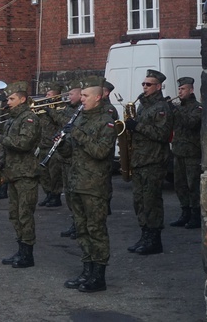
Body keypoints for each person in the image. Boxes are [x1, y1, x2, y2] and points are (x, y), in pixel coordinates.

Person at [61, 76, 118, 293]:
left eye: (85, 96)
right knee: (82, 230)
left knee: (96, 230)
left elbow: (101, 152)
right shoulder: (80, 119)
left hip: (94, 185)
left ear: (97, 97)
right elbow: (72, 151)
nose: (81, 99)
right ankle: (87, 270)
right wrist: (63, 144)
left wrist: (76, 133)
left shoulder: (107, 120)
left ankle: (99, 276)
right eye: (81, 95)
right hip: (76, 182)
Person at [0, 81, 41, 269]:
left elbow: (24, 144)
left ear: (22, 99)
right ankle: (20, 249)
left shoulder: (29, 119)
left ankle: (27, 254)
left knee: (25, 214)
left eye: (11, 99)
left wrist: (0, 138)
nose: (8, 102)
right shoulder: (12, 118)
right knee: (14, 214)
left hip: (26, 174)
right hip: (13, 173)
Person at [124, 69, 173, 255]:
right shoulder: (143, 106)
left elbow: (162, 134)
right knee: (140, 201)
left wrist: (137, 126)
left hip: (153, 161)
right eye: (143, 84)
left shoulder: (161, 108)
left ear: (158, 86)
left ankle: (154, 239)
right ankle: (145, 235)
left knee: (151, 202)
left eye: (148, 84)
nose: (144, 87)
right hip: (140, 159)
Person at [169, 77, 203, 229]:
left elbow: (191, 123)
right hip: (178, 151)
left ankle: (196, 214)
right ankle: (185, 212)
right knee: (180, 184)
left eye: (183, 89)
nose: (180, 92)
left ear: (191, 90)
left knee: (193, 185)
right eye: (179, 89)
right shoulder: (179, 107)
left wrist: (176, 109)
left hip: (192, 153)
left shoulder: (198, 108)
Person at [53, 79, 83, 239]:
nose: (69, 97)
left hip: (79, 163)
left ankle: (80, 226)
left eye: (72, 94)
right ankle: (75, 223)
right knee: (69, 194)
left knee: (77, 197)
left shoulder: (80, 112)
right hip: (67, 157)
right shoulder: (69, 109)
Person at [36, 82, 64, 208]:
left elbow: (62, 123)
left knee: (55, 173)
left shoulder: (62, 109)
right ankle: (48, 194)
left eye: (49, 94)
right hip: (43, 145)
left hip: (55, 147)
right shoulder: (43, 109)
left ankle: (56, 196)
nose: (46, 96)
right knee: (43, 173)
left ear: (57, 96)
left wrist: (51, 111)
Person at [102, 80, 119, 215]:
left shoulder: (109, 109)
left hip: (106, 149)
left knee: (105, 178)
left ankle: (106, 203)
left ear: (106, 92)